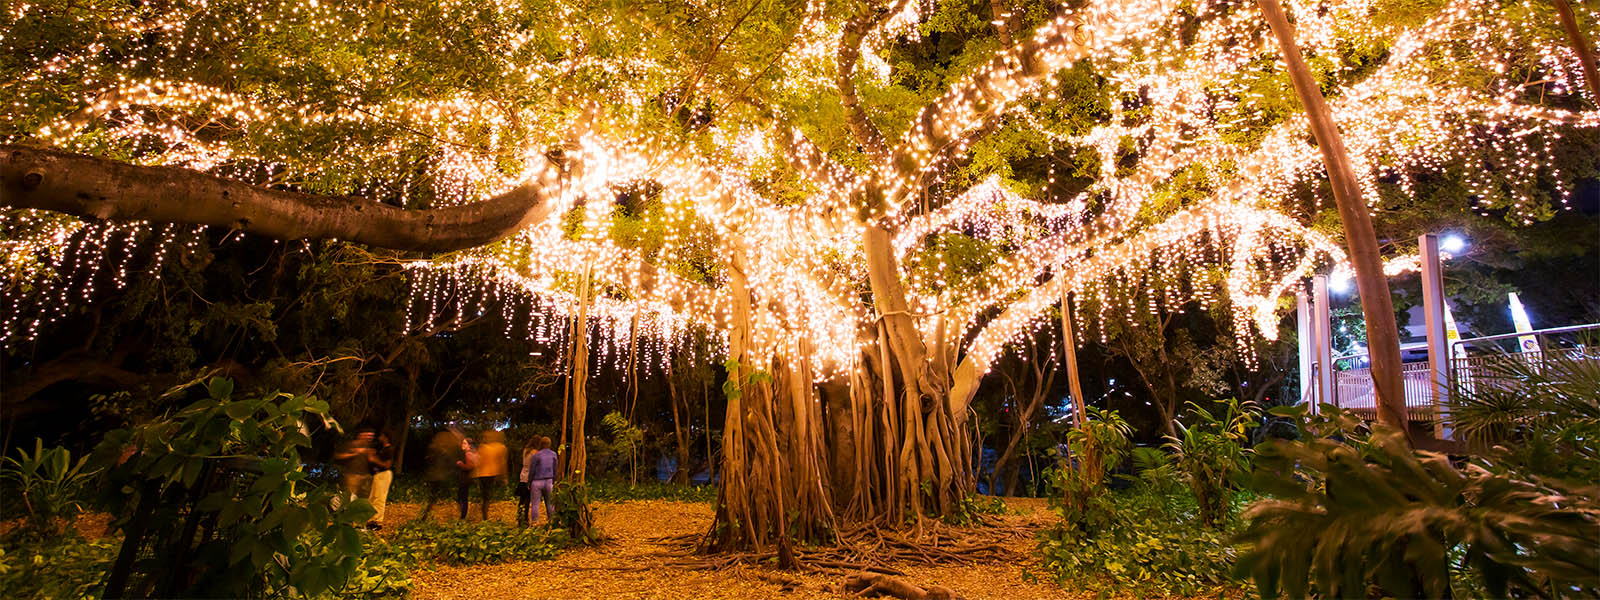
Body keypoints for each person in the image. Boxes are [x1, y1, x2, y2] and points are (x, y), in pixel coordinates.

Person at [420, 427, 469, 520]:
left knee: (433, 497)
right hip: (442, 476)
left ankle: (426, 515)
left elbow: (430, 461)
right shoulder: (446, 451)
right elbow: (451, 462)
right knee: (451, 496)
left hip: (437, 476)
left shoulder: (435, 450)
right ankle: (460, 515)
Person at [520, 436, 558, 526]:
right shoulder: (553, 454)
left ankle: (535, 523)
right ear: (549, 444)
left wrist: (529, 482)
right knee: (549, 503)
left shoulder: (537, 455)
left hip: (537, 481)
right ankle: (551, 522)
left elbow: (532, 469)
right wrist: (554, 480)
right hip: (549, 480)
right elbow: (555, 469)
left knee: (535, 504)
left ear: (541, 444)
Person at [471, 430, 507, 520]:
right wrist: (504, 476)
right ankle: (484, 515)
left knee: (485, 495)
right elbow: (502, 462)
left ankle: (483, 513)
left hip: (482, 474)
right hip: (491, 474)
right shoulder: (498, 447)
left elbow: (478, 461)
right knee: (487, 496)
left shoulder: (483, 447)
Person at [334, 429, 375, 504]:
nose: (369, 438)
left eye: (371, 436)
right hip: (352, 476)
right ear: (360, 436)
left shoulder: (369, 447)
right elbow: (338, 456)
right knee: (350, 498)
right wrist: (354, 453)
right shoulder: (351, 445)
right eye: (367, 435)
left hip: (366, 476)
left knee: (365, 498)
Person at [366, 431, 394, 529]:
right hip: (377, 474)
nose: (380, 437)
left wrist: (374, 459)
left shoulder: (389, 449)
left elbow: (387, 465)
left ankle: (377, 521)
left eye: (382, 435)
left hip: (384, 474)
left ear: (386, 437)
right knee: (373, 497)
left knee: (379, 498)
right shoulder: (382, 449)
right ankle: (371, 519)